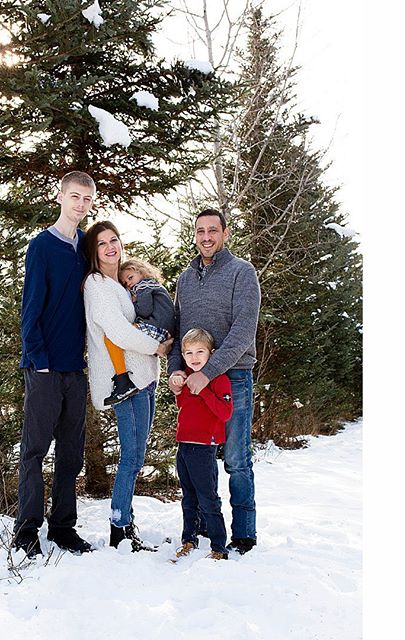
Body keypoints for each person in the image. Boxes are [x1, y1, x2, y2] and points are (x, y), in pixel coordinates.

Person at [12, 171, 96, 559]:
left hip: (73, 370)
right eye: (74, 197)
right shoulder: (42, 246)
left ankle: (63, 527)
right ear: (60, 197)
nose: (81, 204)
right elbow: (30, 309)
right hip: (44, 367)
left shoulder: (85, 248)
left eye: (87, 199)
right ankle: (27, 529)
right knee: (34, 450)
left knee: (70, 452)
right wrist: (38, 360)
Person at [168, 208, 261, 555]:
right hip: (194, 384)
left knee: (236, 459)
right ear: (195, 235)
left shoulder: (242, 272)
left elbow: (242, 332)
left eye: (213, 230)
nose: (206, 237)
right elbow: (179, 333)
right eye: (200, 231)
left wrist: (209, 372)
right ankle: (206, 525)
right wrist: (177, 371)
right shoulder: (186, 279)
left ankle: (244, 533)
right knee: (197, 459)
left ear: (225, 233)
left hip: (231, 377)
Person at [82, 221, 172, 551]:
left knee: (136, 456)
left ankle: (127, 522)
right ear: (93, 251)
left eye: (114, 240)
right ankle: (119, 528)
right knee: (131, 458)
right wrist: (157, 347)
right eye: (102, 243)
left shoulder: (120, 283)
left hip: (145, 378)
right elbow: (118, 332)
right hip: (127, 383)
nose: (110, 247)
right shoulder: (96, 284)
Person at [172, 328, 233, 561]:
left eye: (200, 351)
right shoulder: (187, 376)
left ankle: (219, 546)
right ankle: (189, 539)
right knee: (188, 497)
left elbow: (225, 413)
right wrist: (178, 386)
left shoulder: (219, 379)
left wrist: (204, 390)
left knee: (207, 497)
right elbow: (184, 406)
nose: (194, 357)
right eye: (188, 353)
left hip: (204, 446)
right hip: (184, 445)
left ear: (211, 354)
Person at [102, 258, 175, 406]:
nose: (129, 283)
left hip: (157, 327)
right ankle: (123, 380)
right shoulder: (154, 285)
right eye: (125, 283)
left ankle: (122, 380)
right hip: (162, 330)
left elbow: (145, 310)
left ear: (140, 271)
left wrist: (134, 301)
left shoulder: (143, 287)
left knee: (113, 336)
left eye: (130, 278)